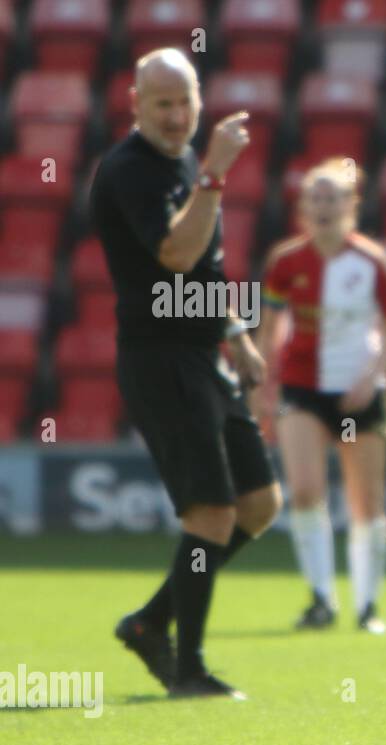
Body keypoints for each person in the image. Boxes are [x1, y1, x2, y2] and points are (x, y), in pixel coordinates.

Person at [92, 48, 282, 699]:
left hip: (203, 355)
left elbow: (206, 265)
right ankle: (190, 669)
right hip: (159, 360)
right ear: (135, 105)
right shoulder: (129, 171)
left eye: (185, 101)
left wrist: (236, 334)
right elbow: (175, 254)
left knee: (260, 505)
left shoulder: (182, 164)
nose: (176, 116)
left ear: (199, 99)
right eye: (162, 104)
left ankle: (150, 622)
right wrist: (215, 177)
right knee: (211, 514)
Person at [254, 158, 386, 635]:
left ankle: (367, 606)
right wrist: (262, 383)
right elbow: (271, 325)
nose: (323, 206)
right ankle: (321, 598)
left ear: (351, 204)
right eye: (315, 197)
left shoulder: (371, 262)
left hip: (359, 391)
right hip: (302, 388)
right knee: (303, 492)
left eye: (332, 197)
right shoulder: (285, 262)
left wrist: (371, 379)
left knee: (367, 505)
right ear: (303, 206)